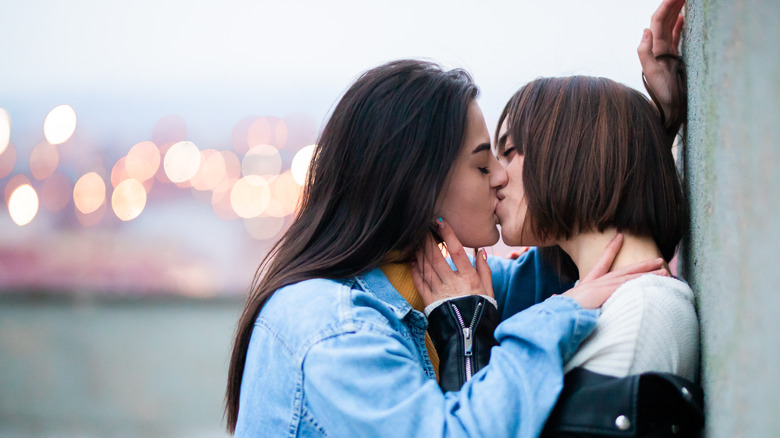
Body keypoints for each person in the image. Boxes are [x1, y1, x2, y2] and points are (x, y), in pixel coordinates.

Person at [224, 58, 663, 437]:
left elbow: (590, 251)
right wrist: (551, 315)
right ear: (421, 184)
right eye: (482, 163)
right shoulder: (333, 332)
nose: (499, 177)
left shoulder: (431, 282)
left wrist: (658, 127)